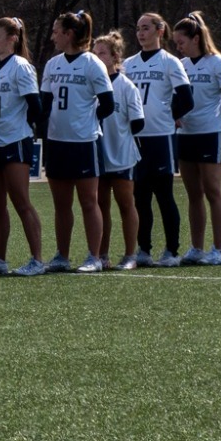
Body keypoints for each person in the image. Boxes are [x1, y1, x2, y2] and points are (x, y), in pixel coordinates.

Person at [41, 11, 112, 272]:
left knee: (88, 201)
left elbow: (108, 104)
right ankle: (62, 255)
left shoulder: (93, 64)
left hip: (84, 142)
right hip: (57, 141)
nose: (53, 36)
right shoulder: (53, 64)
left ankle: (94, 257)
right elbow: (45, 103)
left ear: (69, 34)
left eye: (56, 31)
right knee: (61, 203)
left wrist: (86, 122)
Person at [121, 13, 192, 267]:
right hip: (135, 138)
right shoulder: (128, 63)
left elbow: (186, 98)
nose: (141, 33)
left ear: (160, 31)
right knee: (139, 196)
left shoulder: (170, 62)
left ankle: (172, 250)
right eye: (138, 28)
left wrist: (167, 115)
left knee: (164, 195)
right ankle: (143, 249)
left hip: (160, 138)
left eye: (146, 28)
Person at [170, 12, 221, 265]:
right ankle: (196, 248)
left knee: (213, 190)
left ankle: (219, 249)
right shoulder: (183, 65)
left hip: (211, 135)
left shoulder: (217, 63)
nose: (178, 47)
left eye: (182, 42)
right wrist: (175, 116)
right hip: (186, 135)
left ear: (196, 38)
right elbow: (177, 99)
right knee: (193, 193)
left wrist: (218, 122)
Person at [0, 16, 45, 277]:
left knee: (21, 200)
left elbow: (35, 107)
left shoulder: (21, 67)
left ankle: (37, 259)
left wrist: (19, 126)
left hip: (15, 140)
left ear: (12, 38)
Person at [93, 32, 142, 270]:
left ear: (115, 56)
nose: (97, 57)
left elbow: (137, 122)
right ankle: (101, 255)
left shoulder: (126, 86)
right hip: (97, 154)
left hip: (122, 154)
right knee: (100, 205)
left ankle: (130, 254)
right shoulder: (92, 83)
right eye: (95, 53)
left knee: (125, 204)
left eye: (102, 53)